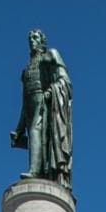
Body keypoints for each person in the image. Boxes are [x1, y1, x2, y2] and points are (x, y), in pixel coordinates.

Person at [10, 28, 73, 186]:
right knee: (33, 133)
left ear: (42, 41)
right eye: (30, 38)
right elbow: (24, 103)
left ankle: (35, 171)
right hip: (32, 103)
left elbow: (64, 79)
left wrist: (52, 90)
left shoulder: (50, 55)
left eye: (36, 37)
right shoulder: (26, 71)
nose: (32, 40)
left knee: (35, 131)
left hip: (45, 102)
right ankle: (36, 169)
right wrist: (18, 129)